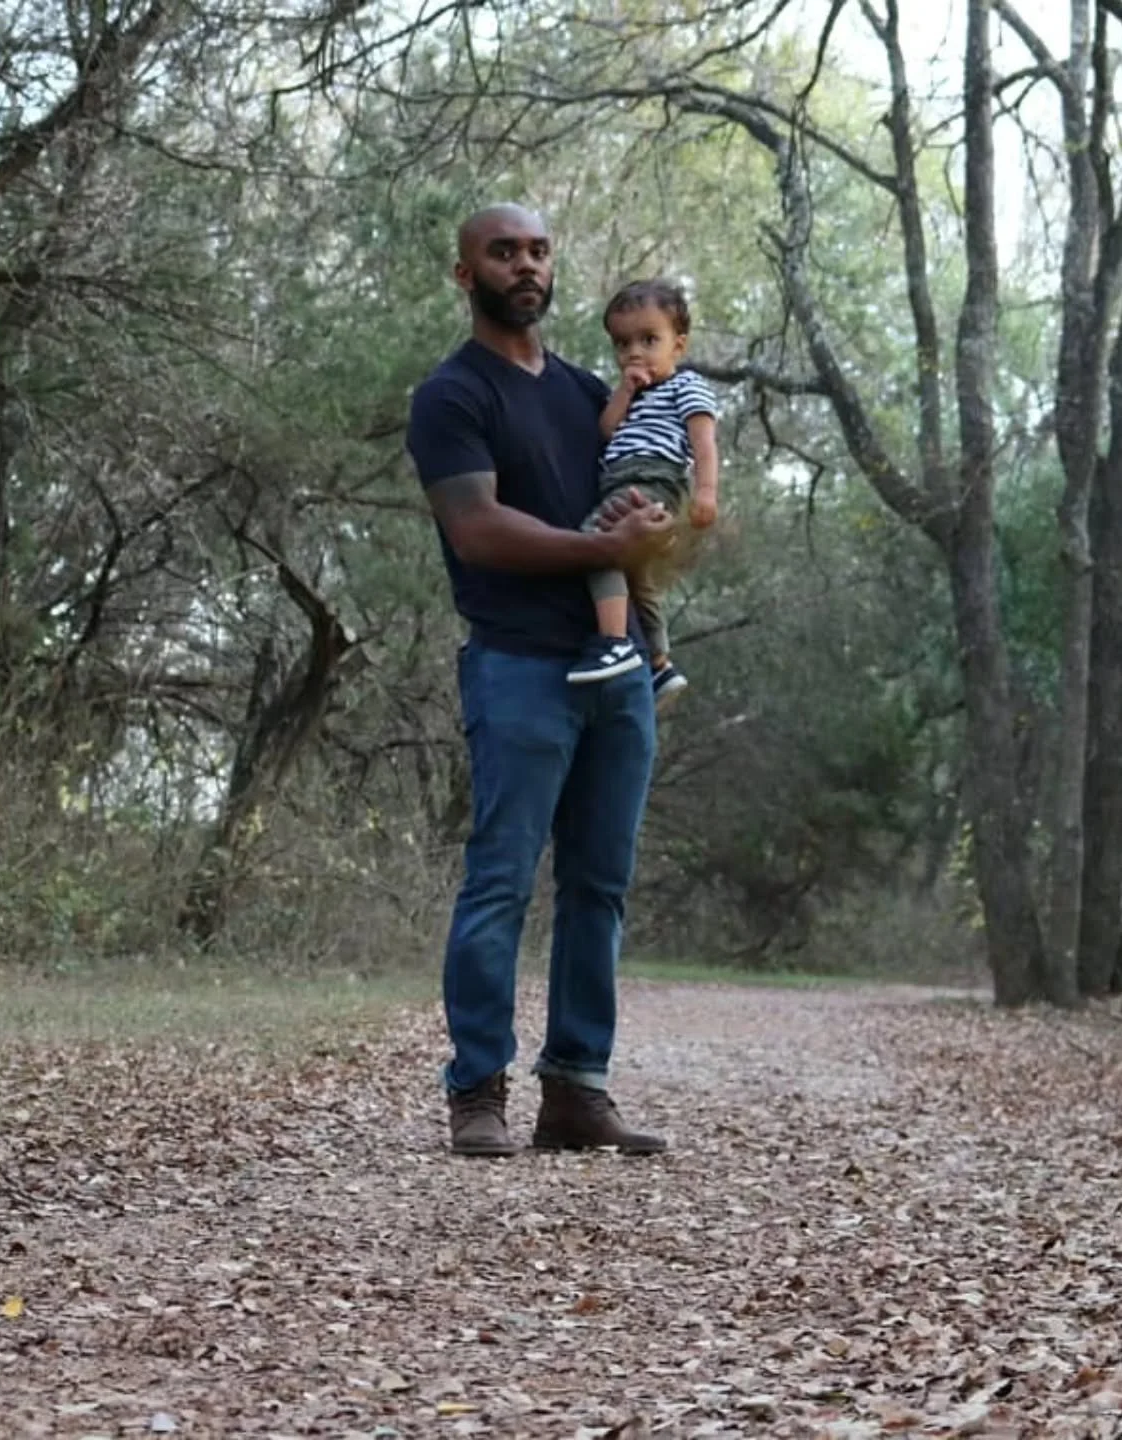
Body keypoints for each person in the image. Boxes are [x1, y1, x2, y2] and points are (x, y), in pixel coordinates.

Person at [405, 202, 672, 1158]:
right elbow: (476, 529)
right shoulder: (451, 397)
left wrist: (651, 521)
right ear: (465, 274)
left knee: (600, 884)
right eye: (502, 252)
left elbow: (631, 491)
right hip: (519, 664)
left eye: (538, 251)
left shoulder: (586, 390)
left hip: (618, 671)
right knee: (503, 881)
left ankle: (576, 1089)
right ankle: (477, 1090)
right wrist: (597, 546)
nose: (524, 265)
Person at [567, 280, 720, 711]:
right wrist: (626, 390)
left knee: (594, 543)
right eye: (623, 344)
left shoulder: (685, 387)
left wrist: (705, 493)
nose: (635, 352)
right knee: (638, 579)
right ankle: (659, 663)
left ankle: (613, 643)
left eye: (649, 340)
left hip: (653, 481)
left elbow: (704, 443)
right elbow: (606, 431)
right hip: (620, 480)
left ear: (679, 345)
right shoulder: (632, 396)